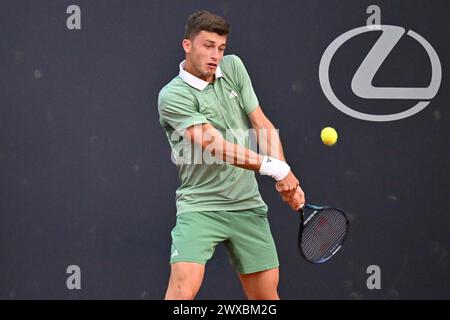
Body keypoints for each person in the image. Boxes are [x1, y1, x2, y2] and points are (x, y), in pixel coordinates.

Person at [158, 10, 305, 300]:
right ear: (187, 46)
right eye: (208, 46)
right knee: (180, 293)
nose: (216, 55)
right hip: (200, 206)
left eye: (221, 48)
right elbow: (216, 145)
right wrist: (276, 170)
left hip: (247, 205)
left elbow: (261, 123)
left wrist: (285, 174)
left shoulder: (233, 67)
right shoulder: (172, 96)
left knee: (266, 298)